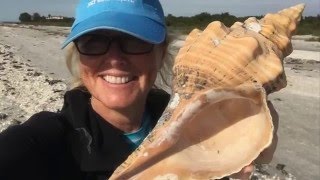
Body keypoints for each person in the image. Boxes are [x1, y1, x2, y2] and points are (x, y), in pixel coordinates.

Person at [0, 0, 276, 179]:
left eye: (133, 40)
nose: (115, 59)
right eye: (94, 42)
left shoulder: (200, 129)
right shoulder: (42, 143)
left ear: (161, 52)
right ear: (79, 55)